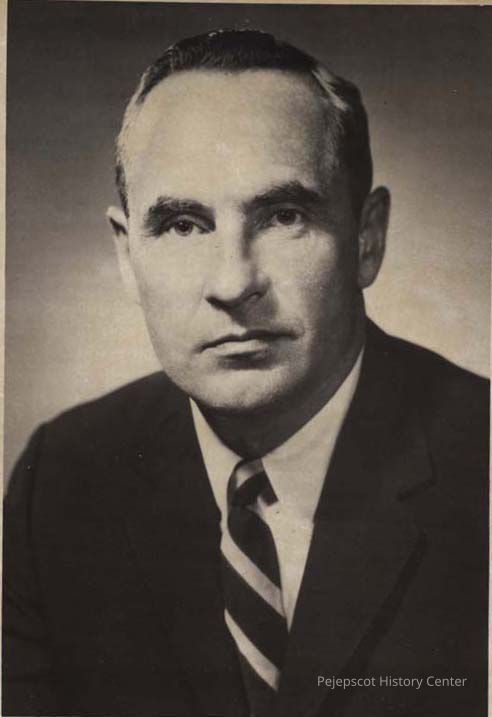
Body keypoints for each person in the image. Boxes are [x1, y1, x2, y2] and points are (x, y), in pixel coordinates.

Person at [3, 29, 488, 717]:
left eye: (284, 215)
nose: (233, 283)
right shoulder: (60, 480)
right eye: (183, 225)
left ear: (366, 238)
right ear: (126, 256)